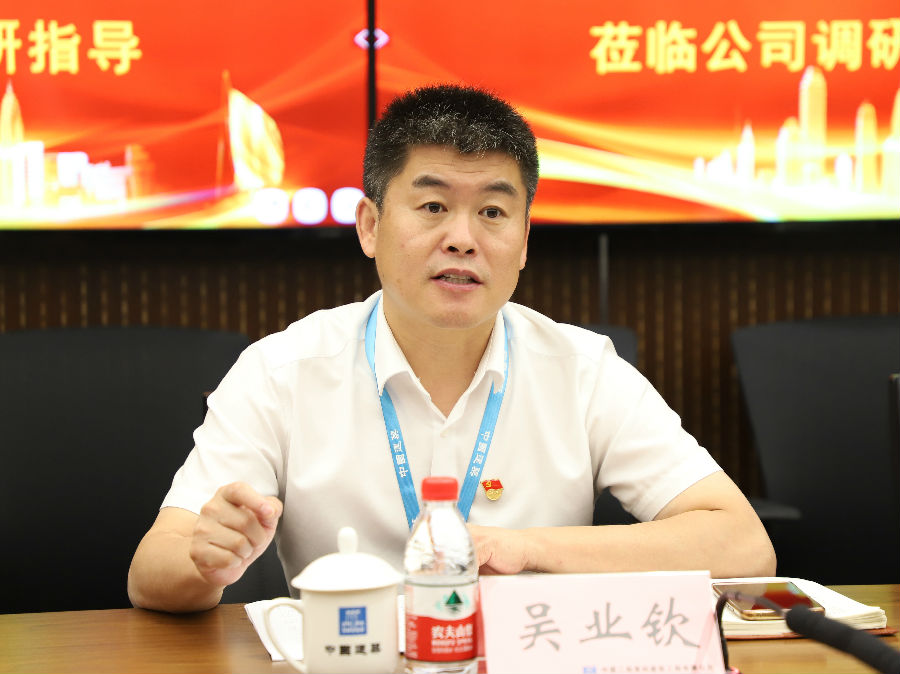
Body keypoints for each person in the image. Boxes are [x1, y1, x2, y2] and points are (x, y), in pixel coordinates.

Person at [128, 84, 775, 613]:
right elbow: (152, 571)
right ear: (370, 227)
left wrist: (528, 550)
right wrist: (205, 563)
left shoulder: (583, 371)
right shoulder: (281, 371)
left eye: (493, 213)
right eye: (433, 205)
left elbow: (744, 545)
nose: (463, 239)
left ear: (524, 242)